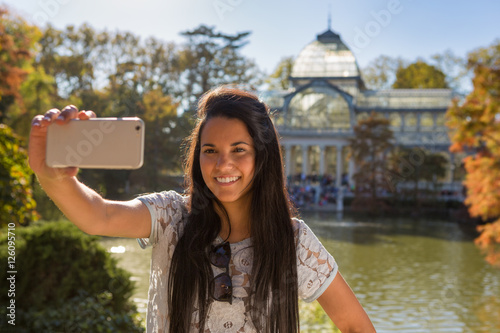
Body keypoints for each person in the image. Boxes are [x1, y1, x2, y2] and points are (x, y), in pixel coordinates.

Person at [29, 86, 376, 333]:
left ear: (262, 155)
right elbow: (99, 216)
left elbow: (356, 326)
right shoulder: (171, 217)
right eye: (210, 150)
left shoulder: (294, 241)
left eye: (239, 149)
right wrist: (52, 176)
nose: (223, 164)